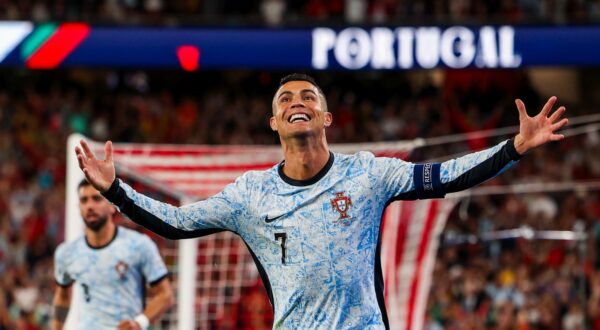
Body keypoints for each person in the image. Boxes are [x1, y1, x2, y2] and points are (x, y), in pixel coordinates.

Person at [75, 73, 568, 329]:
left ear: (326, 117)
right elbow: (178, 224)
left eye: (308, 97)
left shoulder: (369, 173)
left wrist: (514, 148)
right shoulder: (250, 194)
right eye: (285, 99)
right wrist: (116, 191)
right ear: (274, 123)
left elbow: (442, 177)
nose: (297, 102)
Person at [52, 180, 174, 330]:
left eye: (96, 199)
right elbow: (63, 296)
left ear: (112, 206)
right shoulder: (67, 253)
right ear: (79, 207)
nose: (90, 206)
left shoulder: (138, 245)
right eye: (84, 200)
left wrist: (139, 323)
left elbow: (165, 295)